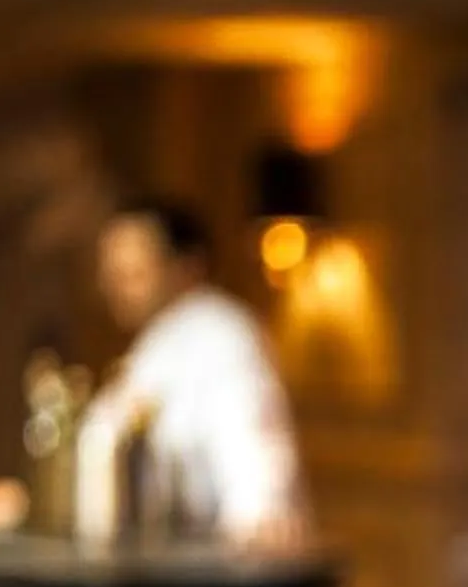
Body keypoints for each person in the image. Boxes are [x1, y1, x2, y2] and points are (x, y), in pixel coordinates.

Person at [76, 198, 307, 550]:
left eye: (134, 273)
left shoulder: (221, 333)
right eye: (113, 274)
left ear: (186, 268)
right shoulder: (154, 346)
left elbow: (253, 444)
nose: (117, 288)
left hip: (213, 565)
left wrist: (261, 511)